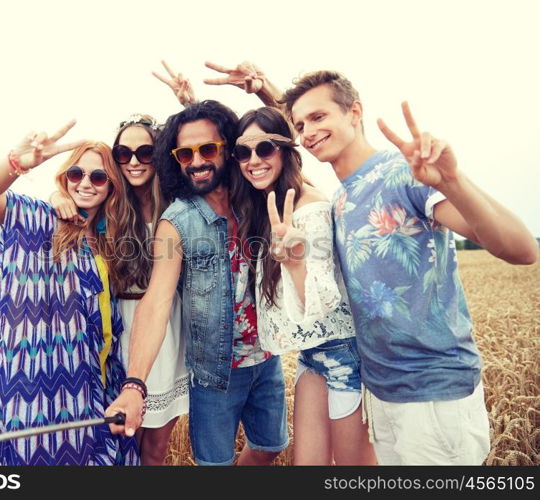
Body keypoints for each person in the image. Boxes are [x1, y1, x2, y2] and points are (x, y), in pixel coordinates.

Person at [278, 70, 538, 465]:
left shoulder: (405, 173)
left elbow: (520, 249)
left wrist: (452, 181)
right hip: (381, 393)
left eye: (318, 117)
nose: (307, 132)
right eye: (299, 125)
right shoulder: (342, 199)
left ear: (354, 112)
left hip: (434, 392)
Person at [106, 100, 289, 466]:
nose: (196, 161)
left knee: (271, 447)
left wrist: (262, 89)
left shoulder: (255, 197)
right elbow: (156, 301)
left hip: (267, 359)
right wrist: (134, 384)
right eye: (184, 153)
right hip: (214, 372)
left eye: (207, 149)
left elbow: (286, 148)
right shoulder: (178, 220)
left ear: (229, 147)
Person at [0, 123, 138, 465]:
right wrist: (17, 162)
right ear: (65, 178)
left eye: (98, 177)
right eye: (76, 174)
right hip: (32, 402)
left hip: (96, 392)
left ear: (111, 187)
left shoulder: (110, 244)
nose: (86, 183)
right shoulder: (36, 222)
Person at [232, 106, 376, 465]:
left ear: (285, 150)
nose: (253, 160)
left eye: (264, 148)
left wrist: (295, 262)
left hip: (346, 355)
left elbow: (322, 299)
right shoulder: (270, 205)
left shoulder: (308, 207)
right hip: (313, 355)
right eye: (243, 152)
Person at [51, 114, 189, 465]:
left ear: (159, 155)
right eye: (123, 153)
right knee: (123, 442)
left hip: (165, 325)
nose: (133, 161)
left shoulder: (177, 203)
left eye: (145, 152)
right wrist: (56, 193)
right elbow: (72, 194)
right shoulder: (110, 205)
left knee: (155, 448)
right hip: (116, 329)